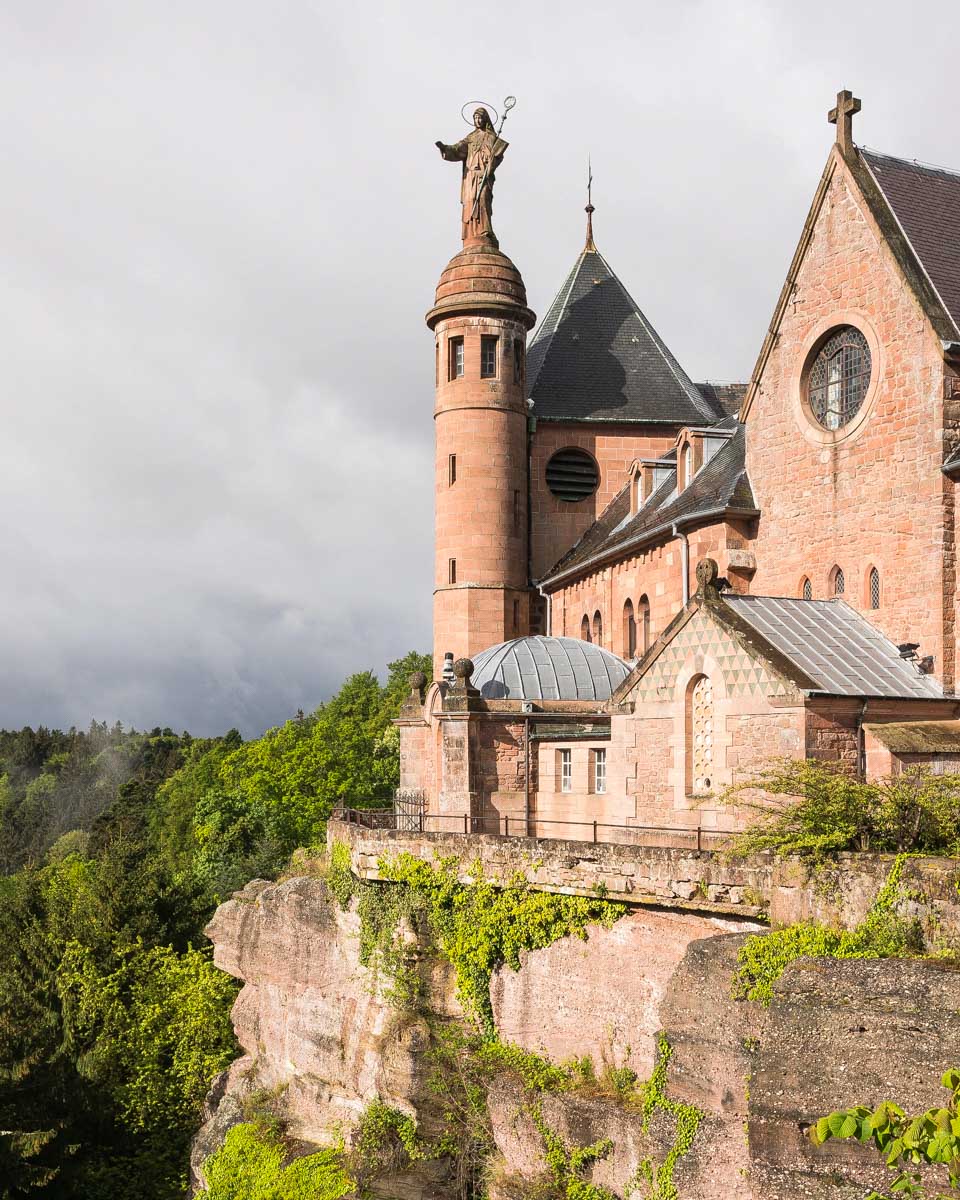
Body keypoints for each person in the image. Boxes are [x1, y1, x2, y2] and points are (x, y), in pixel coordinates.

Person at [435, 107, 507, 245]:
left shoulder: (492, 137)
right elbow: (458, 149)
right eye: (475, 118)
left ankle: (485, 230)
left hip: (483, 174)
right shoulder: (471, 138)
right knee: (471, 201)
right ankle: (471, 233)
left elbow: (498, 155)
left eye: (480, 117)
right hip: (471, 174)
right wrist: (445, 148)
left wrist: (492, 160)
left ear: (485, 119)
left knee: (482, 198)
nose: (477, 120)